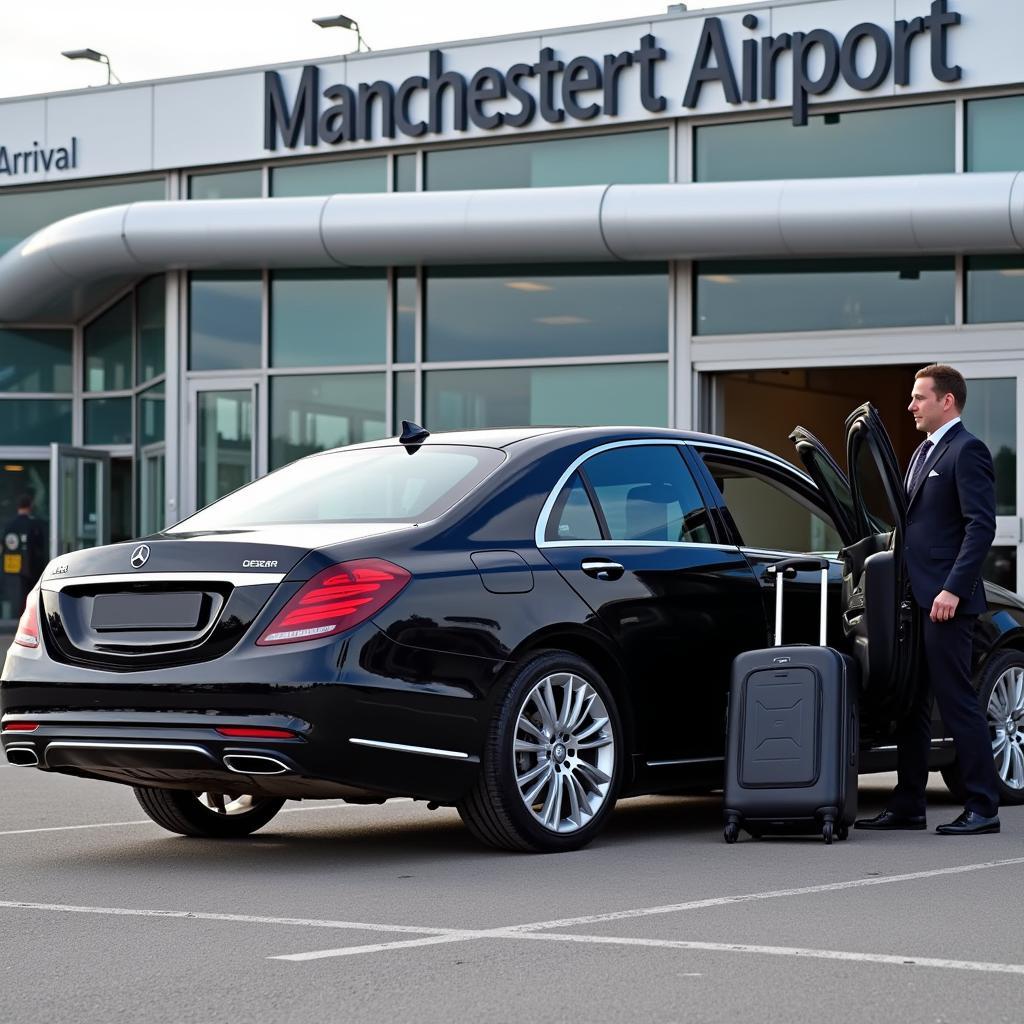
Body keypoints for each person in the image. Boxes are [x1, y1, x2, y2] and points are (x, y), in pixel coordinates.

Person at [856, 365, 1000, 836]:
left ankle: (983, 806)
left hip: (946, 602)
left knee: (957, 701)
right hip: (913, 601)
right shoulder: (921, 452)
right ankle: (908, 804)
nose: (911, 406)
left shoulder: (967, 451)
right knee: (910, 703)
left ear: (947, 401)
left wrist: (953, 589)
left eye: (920, 398)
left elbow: (981, 527)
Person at [2, 494, 47, 612]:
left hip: (12, 570)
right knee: (31, 599)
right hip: (32, 569)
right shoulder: (35, 525)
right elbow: (40, 548)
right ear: (30, 507)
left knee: (16, 598)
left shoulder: (9, 525)